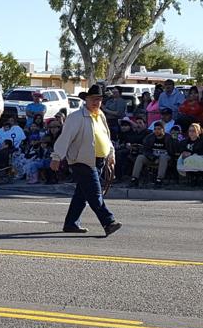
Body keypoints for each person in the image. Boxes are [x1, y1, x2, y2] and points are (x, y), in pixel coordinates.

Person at [51, 84, 122, 237]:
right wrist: (57, 157)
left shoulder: (100, 115)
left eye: (99, 99)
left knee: (82, 194)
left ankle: (71, 223)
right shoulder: (76, 117)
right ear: (86, 100)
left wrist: (111, 154)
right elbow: (65, 138)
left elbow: (105, 137)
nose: (97, 102)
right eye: (93, 99)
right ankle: (108, 222)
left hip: (99, 160)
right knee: (95, 194)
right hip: (82, 161)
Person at [130, 121, 174, 188]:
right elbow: (145, 150)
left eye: (159, 129)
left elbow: (172, 151)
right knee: (140, 157)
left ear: (163, 130)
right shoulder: (149, 138)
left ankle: (159, 179)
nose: (157, 131)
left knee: (163, 157)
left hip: (165, 158)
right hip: (152, 157)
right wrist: (153, 157)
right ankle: (134, 179)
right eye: (155, 129)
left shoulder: (169, 138)